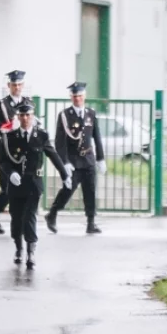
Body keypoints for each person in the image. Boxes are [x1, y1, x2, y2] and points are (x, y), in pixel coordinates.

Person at [0, 103, 71, 268]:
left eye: (28, 115)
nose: (25, 118)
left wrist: (64, 174)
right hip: (16, 185)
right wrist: (11, 173)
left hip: (33, 183)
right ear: (18, 117)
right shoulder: (11, 137)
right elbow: (4, 161)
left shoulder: (41, 136)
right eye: (22, 115)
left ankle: (31, 251)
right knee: (16, 217)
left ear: (33, 116)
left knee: (29, 216)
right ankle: (18, 248)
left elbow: (53, 155)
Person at [45, 82, 106, 235]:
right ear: (71, 97)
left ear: (84, 96)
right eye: (74, 96)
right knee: (67, 190)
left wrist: (101, 158)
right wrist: (64, 162)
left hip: (88, 159)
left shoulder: (91, 114)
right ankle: (52, 214)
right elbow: (60, 142)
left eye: (80, 96)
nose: (77, 99)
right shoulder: (65, 115)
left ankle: (90, 222)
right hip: (73, 162)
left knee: (90, 191)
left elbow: (96, 137)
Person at [0, 70, 34, 235]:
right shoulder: (2, 104)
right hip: (7, 149)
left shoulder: (29, 102)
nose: (17, 88)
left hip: (24, 151)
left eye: (20, 84)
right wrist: (11, 127)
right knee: (7, 186)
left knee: (19, 186)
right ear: (9, 86)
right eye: (14, 85)